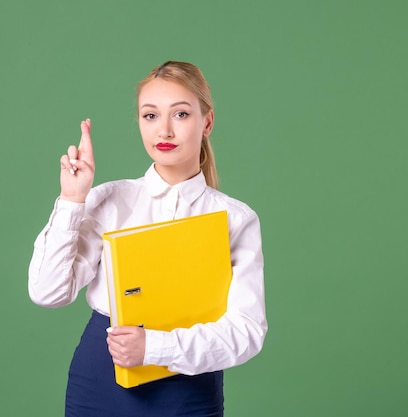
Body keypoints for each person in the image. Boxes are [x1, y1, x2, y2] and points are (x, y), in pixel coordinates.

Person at [28, 61, 267, 416]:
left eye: (181, 114)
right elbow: (48, 293)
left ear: (207, 122)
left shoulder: (235, 219)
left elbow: (247, 331)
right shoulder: (108, 200)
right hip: (100, 378)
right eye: (150, 116)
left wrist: (154, 348)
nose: (164, 131)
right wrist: (72, 200)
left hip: (189, 387)